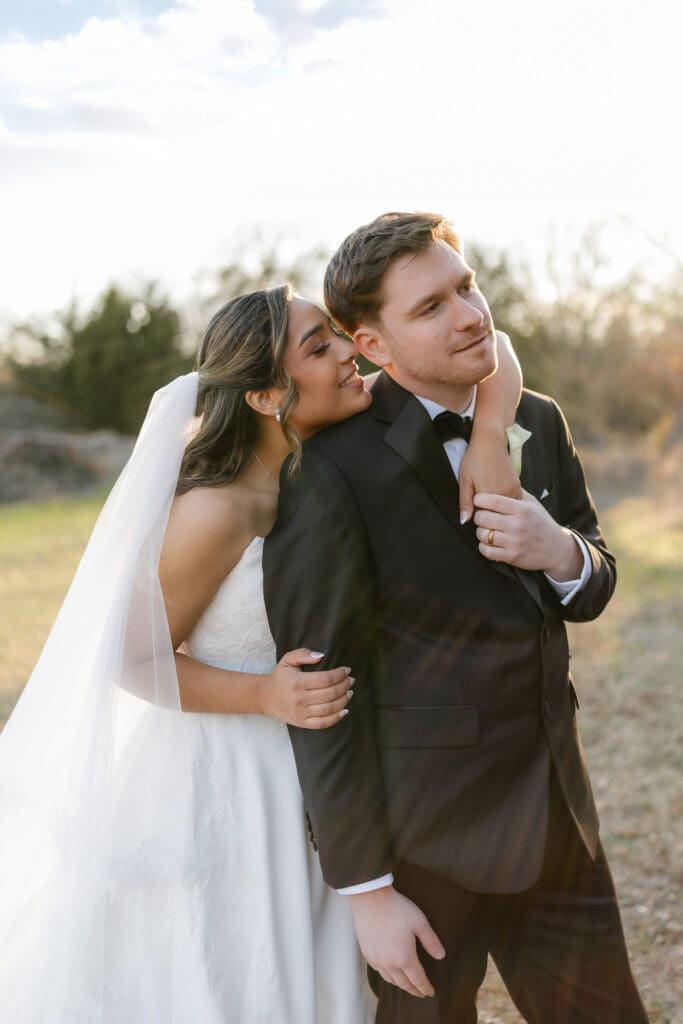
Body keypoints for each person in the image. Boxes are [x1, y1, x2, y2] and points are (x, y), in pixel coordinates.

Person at [0, 282, 521, 1023]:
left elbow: (497, 350)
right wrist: (265, 695)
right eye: (319, 346)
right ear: (266, 395)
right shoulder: (219, 509)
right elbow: (130, 660)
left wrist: (492, 435)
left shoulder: (329, 453)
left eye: (338, 334)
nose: (347, 352)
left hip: (326, 769)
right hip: (233, 775)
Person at [263, 213, 650, 1023]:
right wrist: (368, 892)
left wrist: (559, 552)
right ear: (373, 345)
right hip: (424, 850)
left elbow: (595, 580)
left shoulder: (537, 418)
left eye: (465, 287)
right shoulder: (331, 468)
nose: (470, 315)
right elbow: (321, 692)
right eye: (430, 308)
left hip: (559, 823)